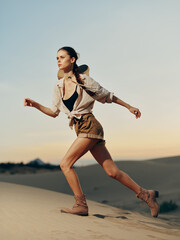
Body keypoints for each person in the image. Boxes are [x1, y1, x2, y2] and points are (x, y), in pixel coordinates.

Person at [24, 46, 159, 217]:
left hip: (90, 125)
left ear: (72, 60)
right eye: (56, 58)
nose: (58, 60)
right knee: (112, 172)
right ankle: (147, 195)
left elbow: (107, 96)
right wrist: (35, 105)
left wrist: (129, 107)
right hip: (81, 129)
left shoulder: (85, 80)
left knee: (65, 164)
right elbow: (54, 112)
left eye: (62, 57)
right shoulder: (58, 86)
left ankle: (81, 205)